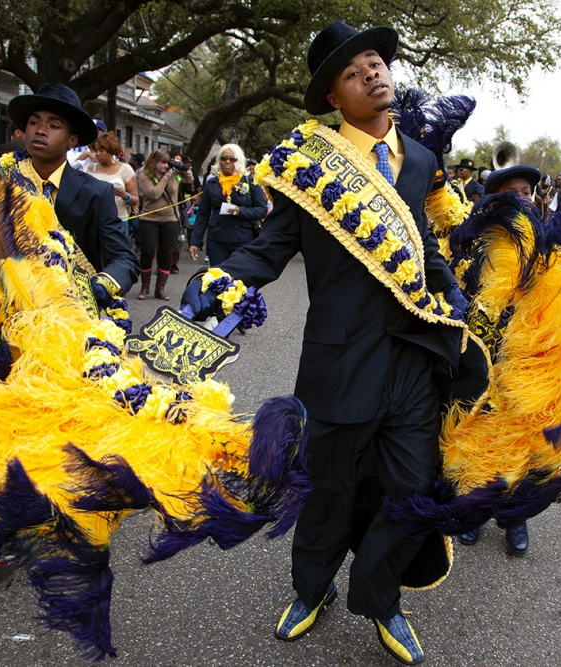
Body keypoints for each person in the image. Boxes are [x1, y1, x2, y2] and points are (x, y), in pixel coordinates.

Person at [181, 21, 477, 665]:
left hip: (416, 356)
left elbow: (420, 244)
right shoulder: (304, 163)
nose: (372, 73)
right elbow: (270, 246)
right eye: (353, 71)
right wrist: (219, 287)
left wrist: (452, 290)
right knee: (331, 488)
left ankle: (381, 599)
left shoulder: (420, 157)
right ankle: (310, 588)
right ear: (334, 99)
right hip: (340, 358)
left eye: (376, 62)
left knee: (408, 488)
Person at [456, 163, 539, 552]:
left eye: (527, 191)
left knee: (521, 437)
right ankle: (474, 509)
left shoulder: (549, 239)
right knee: (481, 429)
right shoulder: (478, 238)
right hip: (482, 351)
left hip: (526, 356)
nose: (522, 199)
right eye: (514, 192)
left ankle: (514, 518)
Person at [6, 83, 139, 305]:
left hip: (68, 311)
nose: (40, 130)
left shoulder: (96, 193)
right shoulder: (0, 183)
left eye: (54, 126)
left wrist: (100, 286)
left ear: (72, 141)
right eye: (34, 122)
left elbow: (124, 259)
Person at [187, 144, 267, 266]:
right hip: (217, 241)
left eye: (232, 159)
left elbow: (261, 210)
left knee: (240, 280)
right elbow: (203, 214)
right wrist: (194, 242)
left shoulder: (251, 182)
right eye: (223, 158)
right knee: (218, 279)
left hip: (243, 240)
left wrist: (240, 211)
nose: (227, 162)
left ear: (239, 161)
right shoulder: (212, 183)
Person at [136, 150, 193, 299]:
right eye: (162, 163)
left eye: (168, 163)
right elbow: (154, 193)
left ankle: (160, 288)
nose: (165, 166)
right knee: (148, 252)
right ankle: (145, 287)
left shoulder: (174, 173)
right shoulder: (145, 175)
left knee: (166, 254)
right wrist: (166, 177)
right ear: (154, 162)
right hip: (149, 220)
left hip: (170, 220)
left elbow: (189, 180)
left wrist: (183, 167)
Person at [85, 131, 138, 244]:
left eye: (101, 150)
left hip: (117, 222)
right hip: (94, 221)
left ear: (111, 151)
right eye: (95, 150)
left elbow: (135, 199)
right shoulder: (91, 169)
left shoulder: (125, 169)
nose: (97, 154)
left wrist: (124, 195)